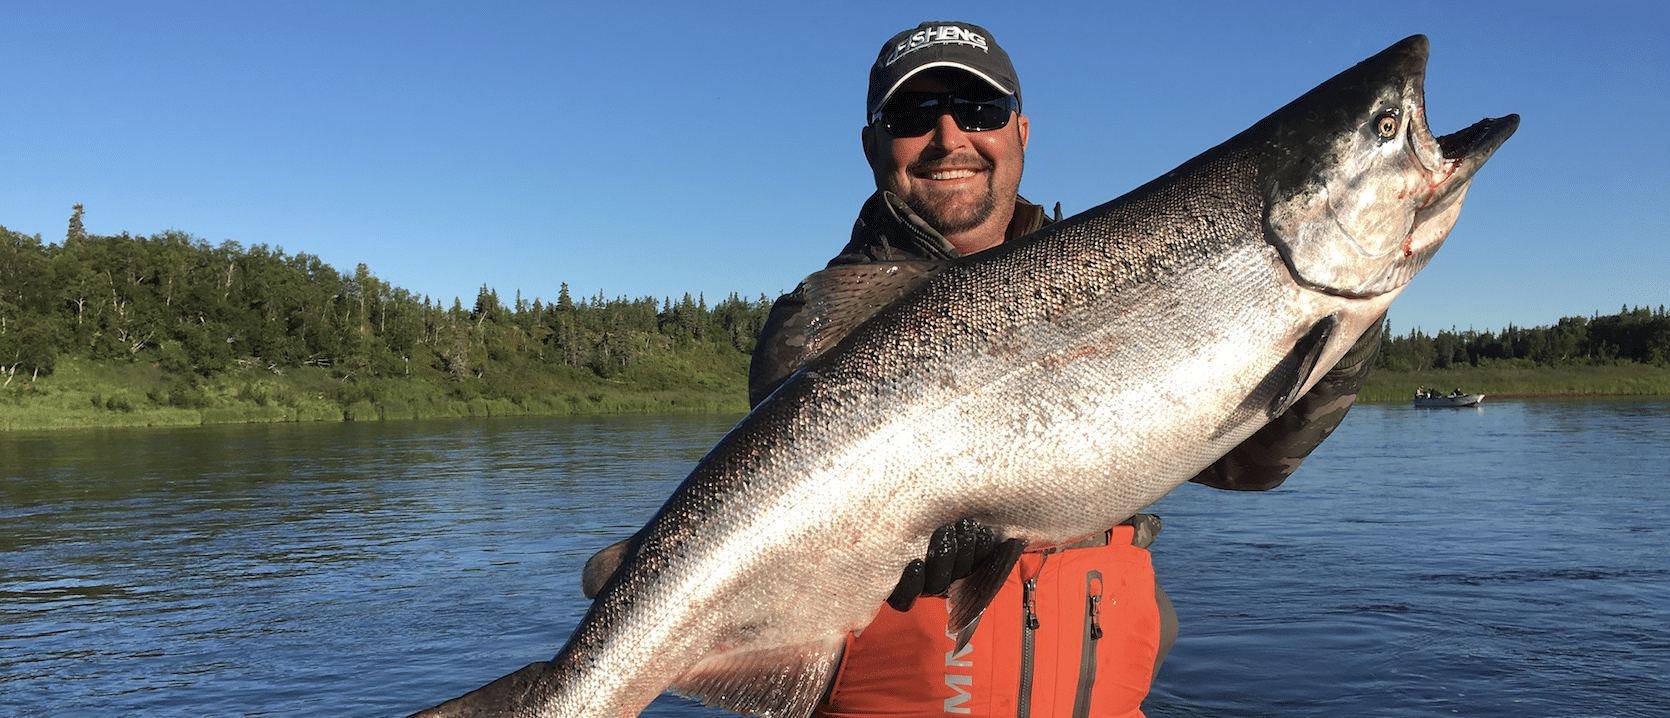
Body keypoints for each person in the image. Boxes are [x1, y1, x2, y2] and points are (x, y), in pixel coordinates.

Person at [588, 21, 1384, 717]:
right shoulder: (822, 320)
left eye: (979, 110)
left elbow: (1252, 463)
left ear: (1021, 131)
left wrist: (1345, 311)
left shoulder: (1138, 283)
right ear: (873, 144)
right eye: (911, 116)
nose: (949, 137)